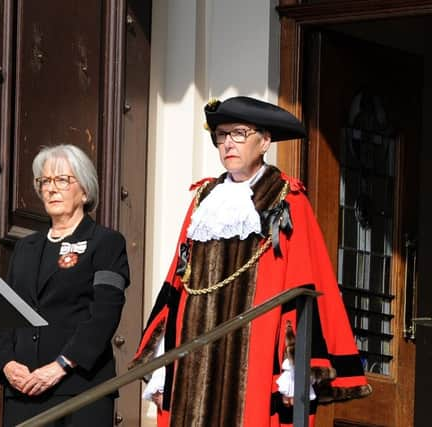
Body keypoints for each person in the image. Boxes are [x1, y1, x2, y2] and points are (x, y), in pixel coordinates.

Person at [131, 96, 372, 427]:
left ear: (265, 141)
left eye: (240, 133)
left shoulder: (287, 199)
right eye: (222, 134)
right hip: (193, 358)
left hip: (255, 357)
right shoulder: (204, 200)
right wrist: (161, 368)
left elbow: (302, 285)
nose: (228, 143)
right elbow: (177, 283)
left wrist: (295, 371)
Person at [0, 144, 130, 426]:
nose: (51, 189)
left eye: (63, 180)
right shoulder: (25, 247)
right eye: (45, 181)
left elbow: (104, 315)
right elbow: (4, 311)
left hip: (79, 389)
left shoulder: (106, 242)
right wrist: (6, 364)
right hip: (23, 390)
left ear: (85, 190)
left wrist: (60, 366)